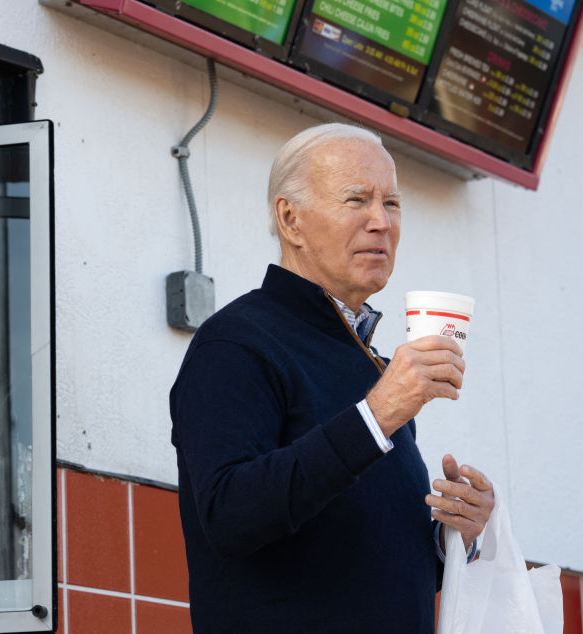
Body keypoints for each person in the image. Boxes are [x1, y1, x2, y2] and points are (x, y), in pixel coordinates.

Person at [169, 123, 495, 632]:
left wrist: (453, 535)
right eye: (356, 199)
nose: (380, 222)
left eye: (391, 203)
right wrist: (378, 413)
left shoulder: (373, 365)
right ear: (291, 219)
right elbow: (229, 517)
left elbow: (364, 566)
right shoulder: (235, 343)